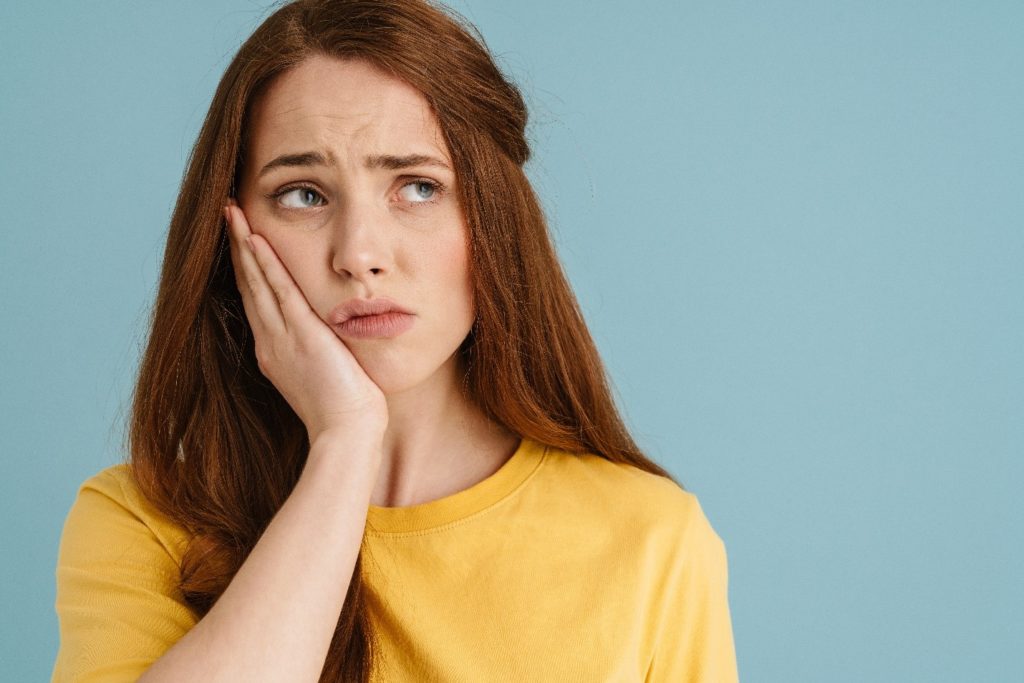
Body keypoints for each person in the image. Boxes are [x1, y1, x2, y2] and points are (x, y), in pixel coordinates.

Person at [51, 1, 739, 681]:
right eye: (303, 194)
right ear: (233, 232)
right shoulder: (142, 521)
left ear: (493, 218)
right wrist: (345, 441)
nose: (360, 254)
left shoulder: (651, 539)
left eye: (417, 186)